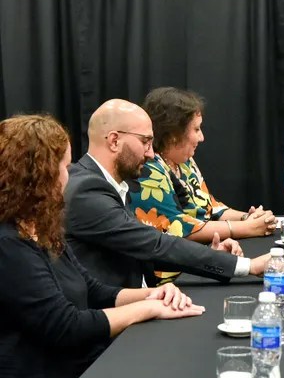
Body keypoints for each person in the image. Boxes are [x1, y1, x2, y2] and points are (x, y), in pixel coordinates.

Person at [0, 115, 205, 378]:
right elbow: (66, 326)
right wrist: (148, 308)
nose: (69, 174)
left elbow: (93, 289)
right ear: (39, 176)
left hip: (77, 372)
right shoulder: (8, 245)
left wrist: (152, 294)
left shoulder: (41, 229)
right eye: (64, 166)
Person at [65, 99, 270, 288]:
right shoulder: (86, 190)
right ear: (114, 141)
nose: (150, 153)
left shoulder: (110, 184)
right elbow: (155, 245)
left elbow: (146, 249)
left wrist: (214, 257)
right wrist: (248, 266)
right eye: (145, 141)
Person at [128, 87, 277, 283]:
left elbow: (209, 206)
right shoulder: (147, 169)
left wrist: (248, 217)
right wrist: (246, 228)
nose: (202, 137)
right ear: (174, 134)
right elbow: (177, 227)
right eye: (196, 129)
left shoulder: (184, 161)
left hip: (194, 262)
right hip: (164, 278)